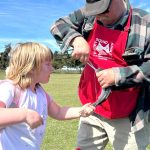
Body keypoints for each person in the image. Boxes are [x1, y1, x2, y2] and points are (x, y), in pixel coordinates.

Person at [50, 0, 150, 149]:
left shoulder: (145, 23)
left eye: (103, 10)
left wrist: (119, 75)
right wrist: (76, 39)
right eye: (95, 11)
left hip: (129, 116)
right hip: (91, 109)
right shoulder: (89, 14)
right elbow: (57, 25)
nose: (99, 16)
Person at [0, 42, 95, 150]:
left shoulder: (40, 92)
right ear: (32, 68)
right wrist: (25, 114)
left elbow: (58, 111)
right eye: (48, 64)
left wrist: (81, 110)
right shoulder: (10, 88)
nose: (52, 69)